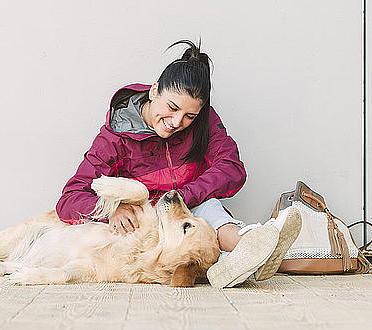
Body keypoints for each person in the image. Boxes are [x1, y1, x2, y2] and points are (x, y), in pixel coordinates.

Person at [55, 40, 301, 288]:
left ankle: (247, 247)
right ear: (154, 91)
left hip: (187, 213)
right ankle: (251, 258)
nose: (176, 122)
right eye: (172, 108)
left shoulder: (204, 122)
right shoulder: (115, 137)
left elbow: (231, 168)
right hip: (150, 231)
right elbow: (69, 199)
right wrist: (111, 209)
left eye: (189, 116)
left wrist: (182, 198)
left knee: (209, 209)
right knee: (195, 228)